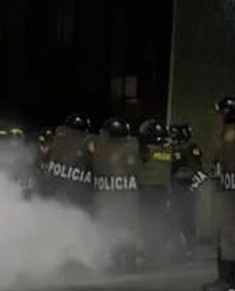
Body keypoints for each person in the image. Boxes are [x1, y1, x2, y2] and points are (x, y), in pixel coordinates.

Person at [203, 96, 235, 291]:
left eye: (221, 114)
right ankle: (224, 277)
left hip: (234, 192)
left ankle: (227, 279)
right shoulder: (227, 134)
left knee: (227, 236)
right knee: (222, 235)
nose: (217, 118)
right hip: (225, 190)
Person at [92, 117, 140, 272]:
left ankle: (128, 259)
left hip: (121, 200)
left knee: (124, 229)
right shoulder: (106, 151)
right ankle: (119, 259)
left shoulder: (127, 151)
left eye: (106, 134)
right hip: (112, 199)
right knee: (114, 229)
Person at [137, 119, 174, 265]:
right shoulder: (168, 151)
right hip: (164, 190)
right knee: (161, 219)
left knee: (147, 221)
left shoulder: (145, 151)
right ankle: (160, 250)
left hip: (147, 191)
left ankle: (151, 252)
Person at [169, 124, 206, 257]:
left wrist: (191, 187)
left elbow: (200, 171)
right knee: (174, 219)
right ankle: (179, 247)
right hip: (175, 189)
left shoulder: (190, 148)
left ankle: (191, 248)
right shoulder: (172, 149)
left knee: (187, 219)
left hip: (186, 189)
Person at [44, 114, 94, 210]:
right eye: (73, 134)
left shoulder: (89, 157)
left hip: (78, 210)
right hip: (53, 205)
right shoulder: (55, 152)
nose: (75, 138)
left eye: (78, 135)